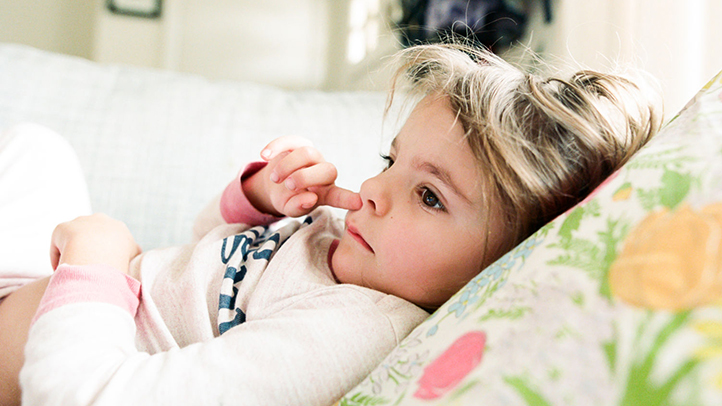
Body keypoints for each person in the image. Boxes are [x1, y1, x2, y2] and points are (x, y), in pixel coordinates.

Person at [0, 43, 662, 406]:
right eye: (390, 159)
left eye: (429, 197)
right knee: (38, 147)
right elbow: (208, 259)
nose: (373, 191)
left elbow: (77, 395)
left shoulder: (351, 331)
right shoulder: (352, 245)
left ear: (502, 267)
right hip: (43, 290)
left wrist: (98, 262)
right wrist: (257, 196)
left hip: (32, 359)